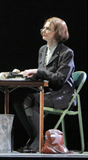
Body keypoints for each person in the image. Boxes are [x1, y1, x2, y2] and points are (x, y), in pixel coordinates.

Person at [14, 17, 75, 152]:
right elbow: (45, 74)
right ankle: (35, 138)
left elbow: (60, 79)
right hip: (48, 93)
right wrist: (32, 74)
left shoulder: (66, 53)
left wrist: (38, 71)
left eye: (48, 29)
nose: (43, 31)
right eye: (43, 28)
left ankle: (38, 141)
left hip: (63, 95)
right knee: (19, 101)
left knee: (30, 100)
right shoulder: (43, 50)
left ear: (58, 32)